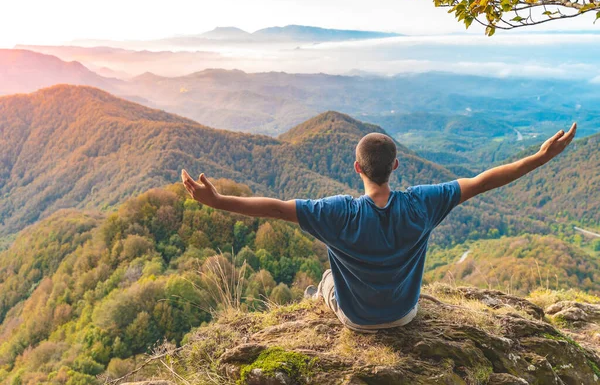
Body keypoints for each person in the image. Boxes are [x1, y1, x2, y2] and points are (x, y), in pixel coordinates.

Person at [181, 123, 577, 332]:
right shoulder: (424, 203)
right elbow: (484, 179)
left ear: (356, 168)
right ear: (396, 167)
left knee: (325, 280)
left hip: (356, 320)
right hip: (405, 313)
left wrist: (217, 200)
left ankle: (320, 295)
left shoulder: (336, 214)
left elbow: (276, 208)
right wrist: (538, 159)